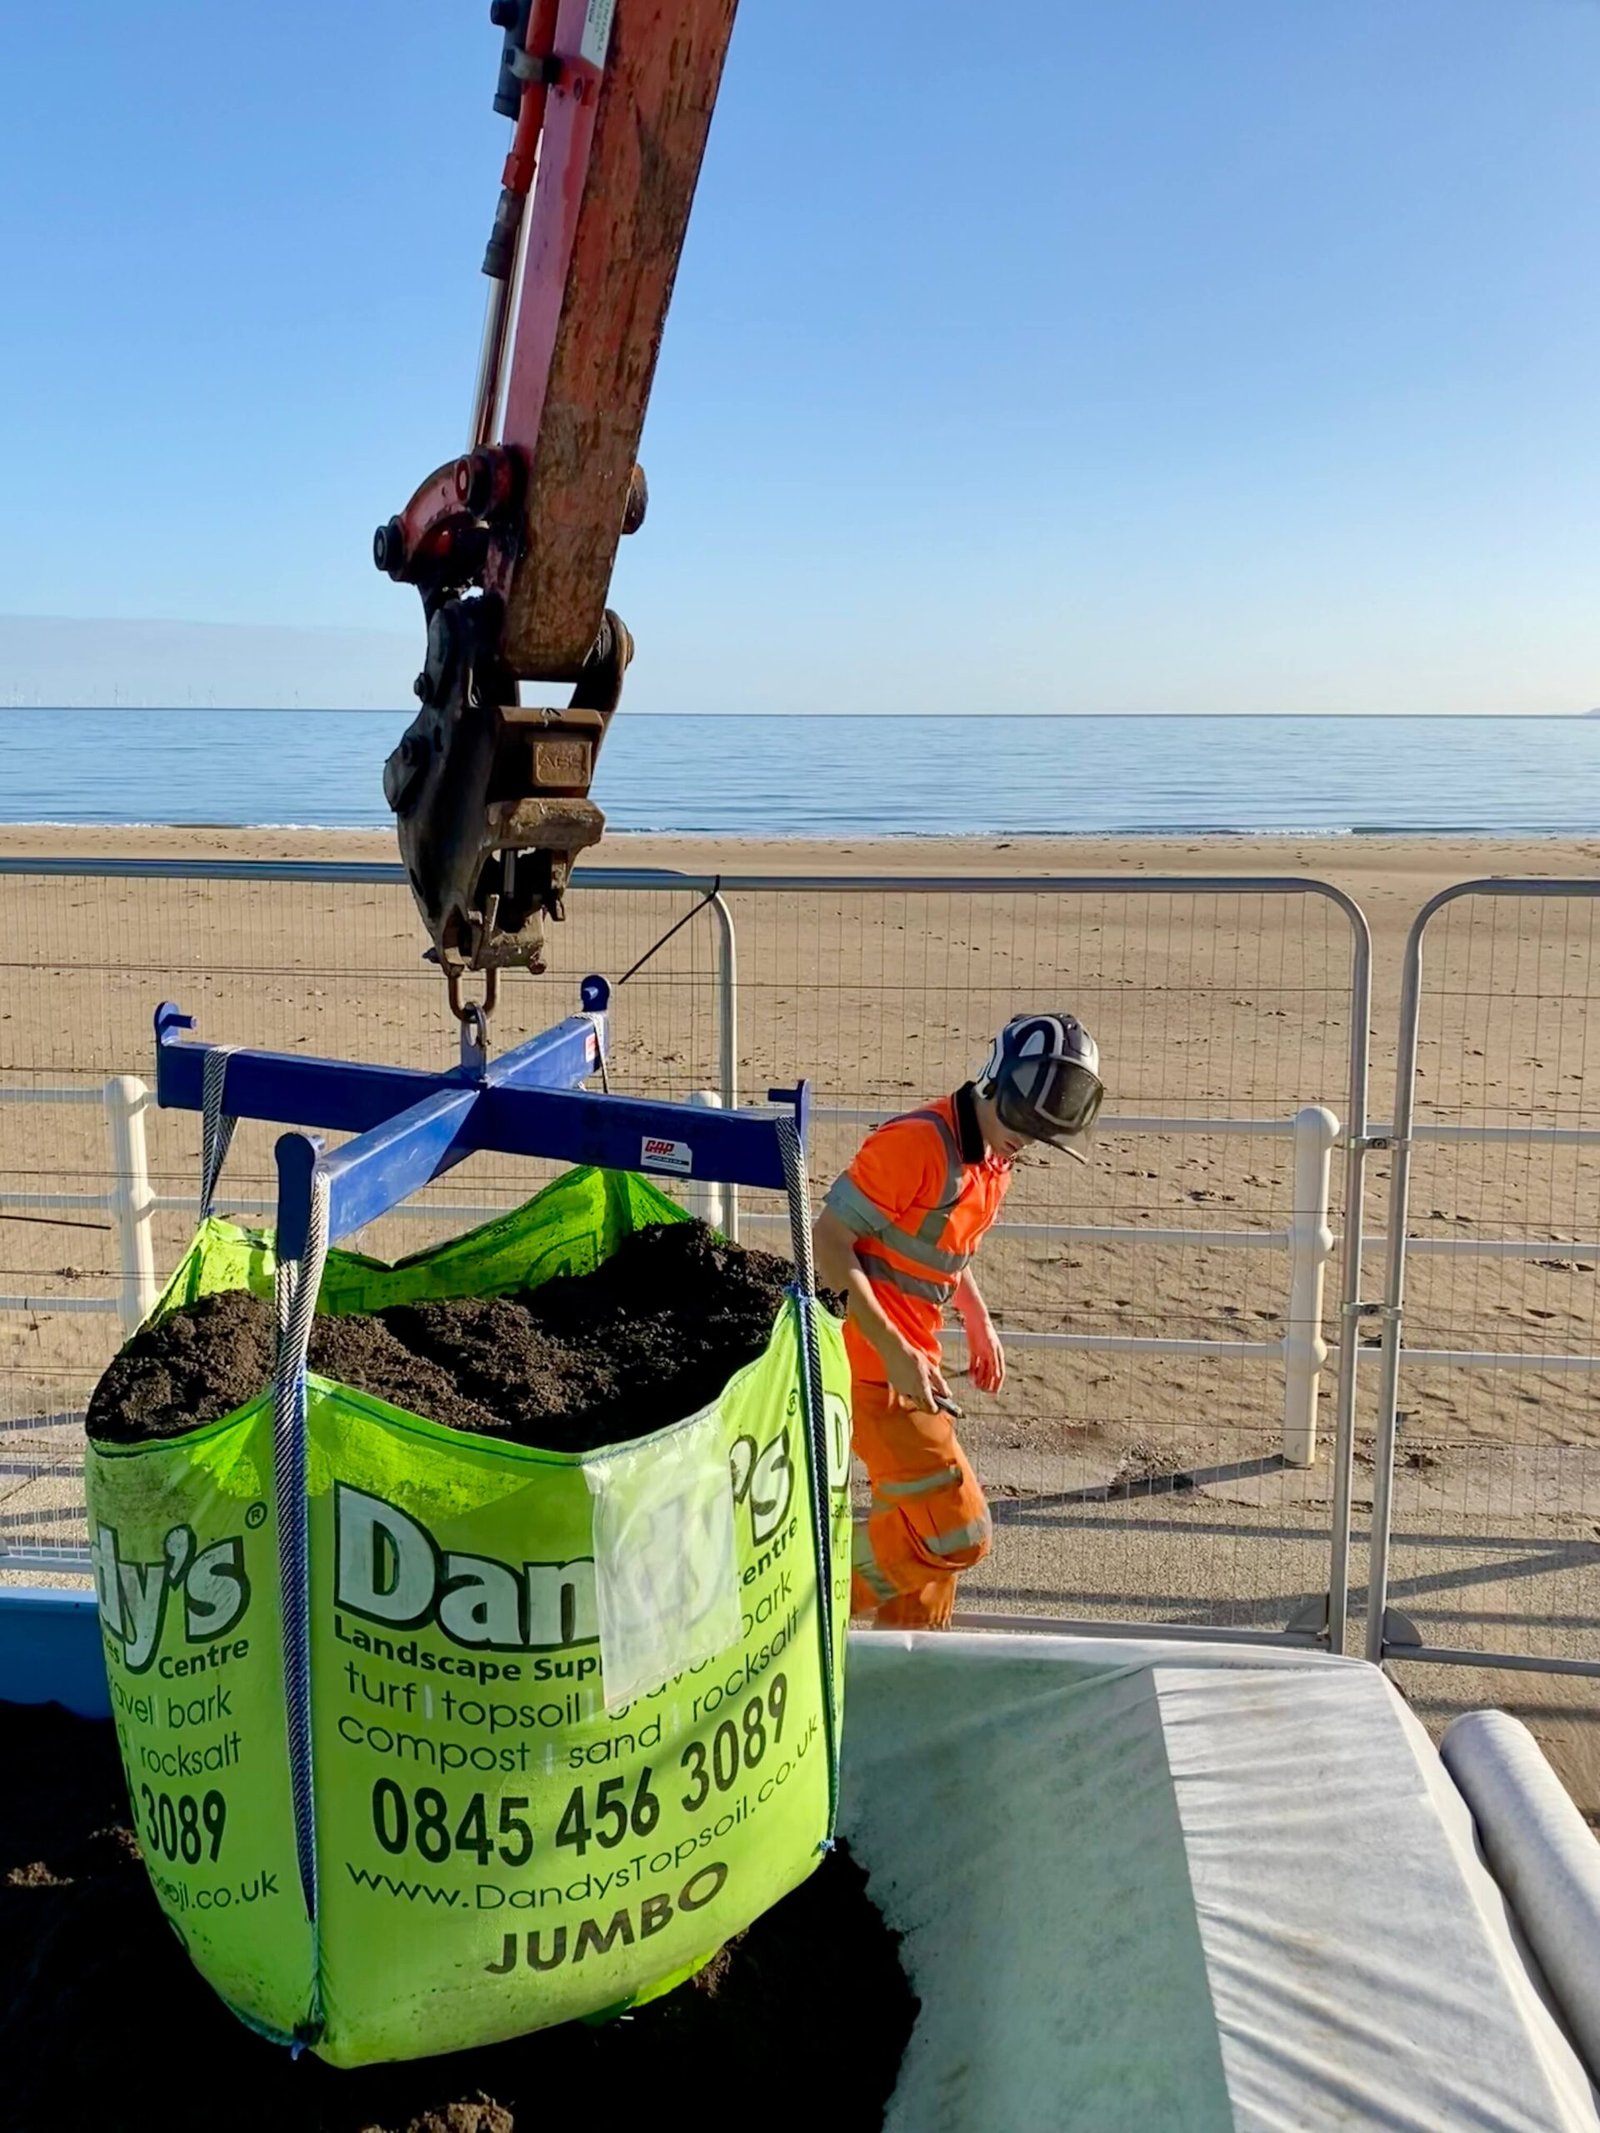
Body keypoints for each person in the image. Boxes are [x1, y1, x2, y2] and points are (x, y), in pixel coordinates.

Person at [813, 1013, 1104, 1629]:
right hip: (867, 1367)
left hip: (913, 1363)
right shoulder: (917, 1143)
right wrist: (893, 1350)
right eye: (1024, 1124)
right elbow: (830, 1239)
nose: (1025, 1142)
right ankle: (797, 1606)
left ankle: (909, 1680)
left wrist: (976, 1317)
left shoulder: (994, 1157)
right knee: (958, 1534)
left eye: (1041, 1135)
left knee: (918, 1540)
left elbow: (942, 1243)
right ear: (995, 1081)